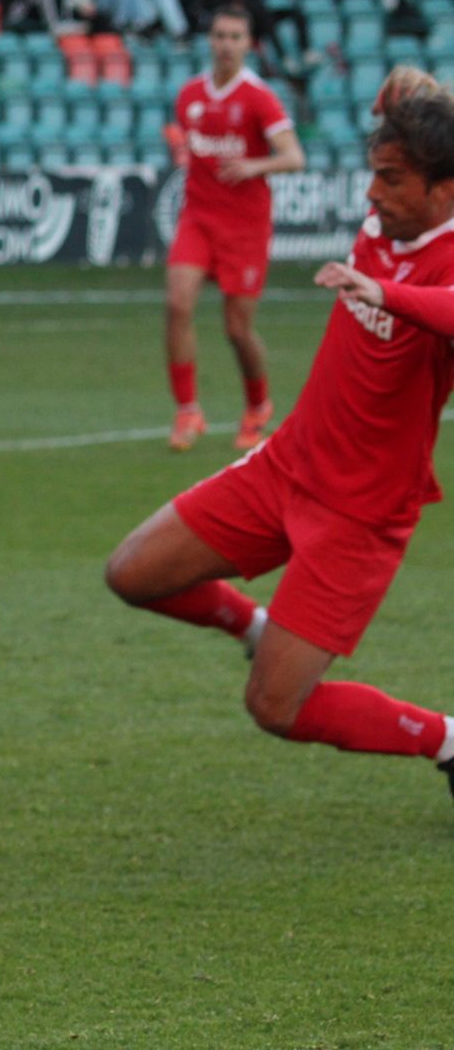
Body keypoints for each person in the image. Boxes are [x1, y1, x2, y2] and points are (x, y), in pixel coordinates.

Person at [106, 69, 454, 807]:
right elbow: (401, 103)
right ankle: (256, 623)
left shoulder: (443, 254)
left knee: (276, 709)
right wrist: (405, 95)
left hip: (359, 514)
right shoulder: (392, 212)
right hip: (286, 465)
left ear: (443, 191)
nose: (371, 196)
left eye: (391, 181)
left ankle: (448, 741)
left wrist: (383, 292)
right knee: (132, 573)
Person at [163, 6, 305, 452]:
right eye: (220, 35)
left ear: (248, 44)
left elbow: (294, 157)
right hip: (198, 218)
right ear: (210, 39)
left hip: (244, 227)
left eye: (235, 37)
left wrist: (253, 165)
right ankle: (188, 411)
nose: (226, 44)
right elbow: (188, 144)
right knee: (177, 303)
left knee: (237, 329)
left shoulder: (259, 96)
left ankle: (257, 406)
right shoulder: (189, 95)